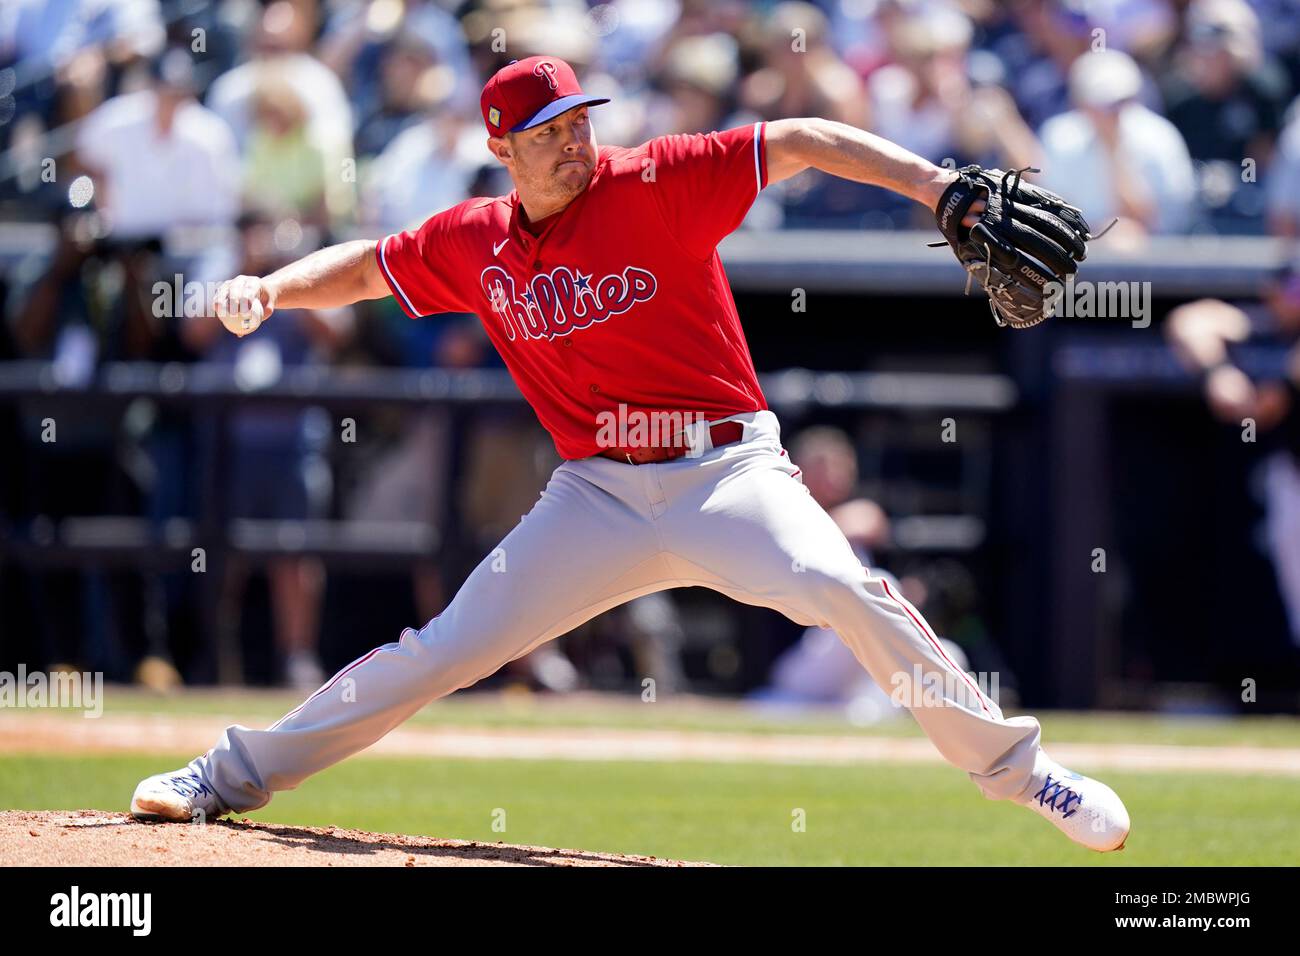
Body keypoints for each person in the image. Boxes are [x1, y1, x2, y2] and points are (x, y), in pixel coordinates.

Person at [130, 55, 1130, 853]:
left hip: (726, 473)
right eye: (549, 132)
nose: (574, 141)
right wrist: (270, 286)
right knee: (441, 649)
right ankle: (225, 774)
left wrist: (934, 182)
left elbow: (805, 138)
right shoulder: (473, 239)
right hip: (595, 495)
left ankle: (1019, 770)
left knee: (843, 584)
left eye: (579, 121)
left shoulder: (656, 180)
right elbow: (367, 266)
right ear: (500, 149)